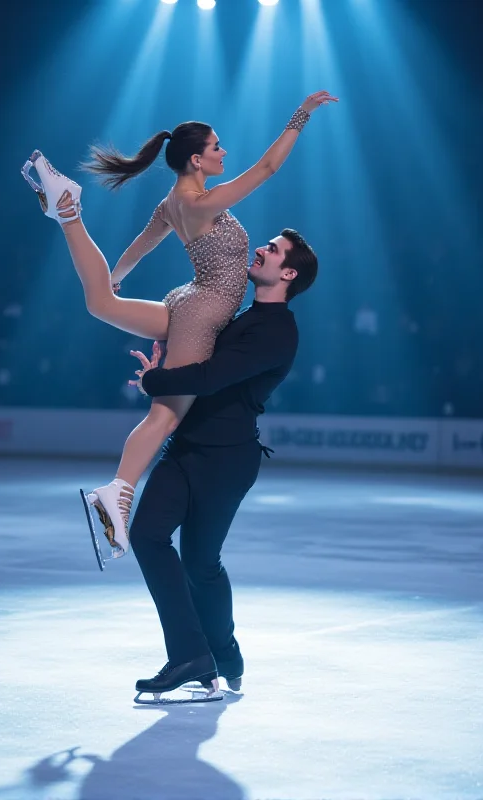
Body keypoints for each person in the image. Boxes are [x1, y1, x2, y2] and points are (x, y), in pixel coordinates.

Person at [21, 90, 337, 565]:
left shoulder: (173, 203)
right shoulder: (205, 203)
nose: (224, 152)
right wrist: (301, 115)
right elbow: (268, 168)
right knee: (164, 416)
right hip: (203, 311)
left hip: (186, 298)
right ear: (196, 159)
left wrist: (117, 277)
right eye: (217, 147)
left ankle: (68, 212)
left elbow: (141, 245)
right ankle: (119, 493)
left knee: (100, 300)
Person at [126, 227, 318, 701]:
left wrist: (156, 382)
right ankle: (192, 655)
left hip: (227, 461)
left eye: (271, 250)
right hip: (187, 447)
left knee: (200, 562)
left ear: (288, 273)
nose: (261, 249)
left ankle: (224, 654)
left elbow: (212, 377)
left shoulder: (277, 332)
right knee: (146, 536)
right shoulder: (246, 314)